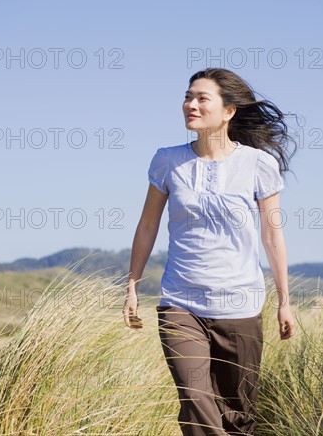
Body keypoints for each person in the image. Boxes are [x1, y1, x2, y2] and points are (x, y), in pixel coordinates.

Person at [123, 68, 296, 435]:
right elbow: (148, 225)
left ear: (229, 111)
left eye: (202, 98)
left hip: (240, 304)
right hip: (180, 302)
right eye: (188, 97)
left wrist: (284, 300)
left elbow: (272, 234)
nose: (191, 105)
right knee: (195, 399)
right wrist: (132, 286)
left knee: (237, 415)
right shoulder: (167, 160)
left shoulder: (257, 164)